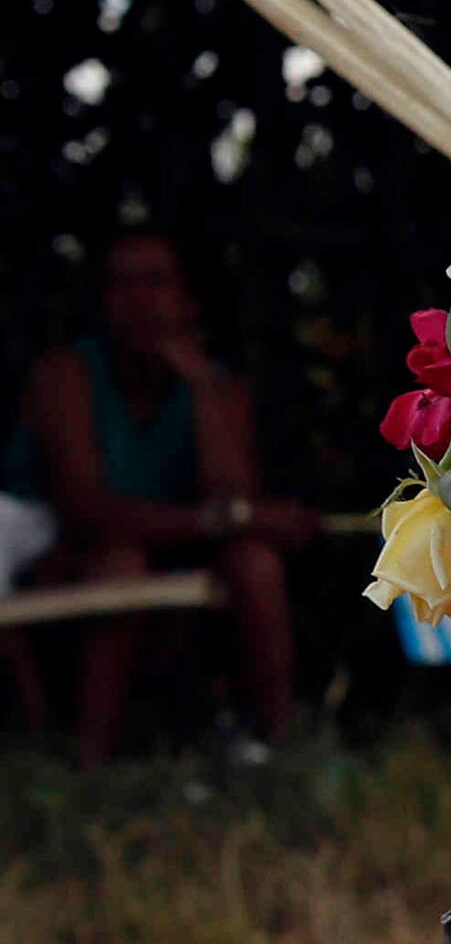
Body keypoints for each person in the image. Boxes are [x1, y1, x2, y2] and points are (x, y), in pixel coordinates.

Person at [7, 230, 313, 764]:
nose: (137, 301)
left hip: (167, 548)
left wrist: (201, 392)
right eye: (120, 283)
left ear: (190, 301)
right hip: (56, 556)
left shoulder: (216, 388)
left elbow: (234, 498)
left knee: (256, 563)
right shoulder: (66, 376)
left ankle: (277, 745)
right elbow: (85, 513)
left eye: (155, 282)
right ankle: (91, 759)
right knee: (121, 562)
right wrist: (224, 520)